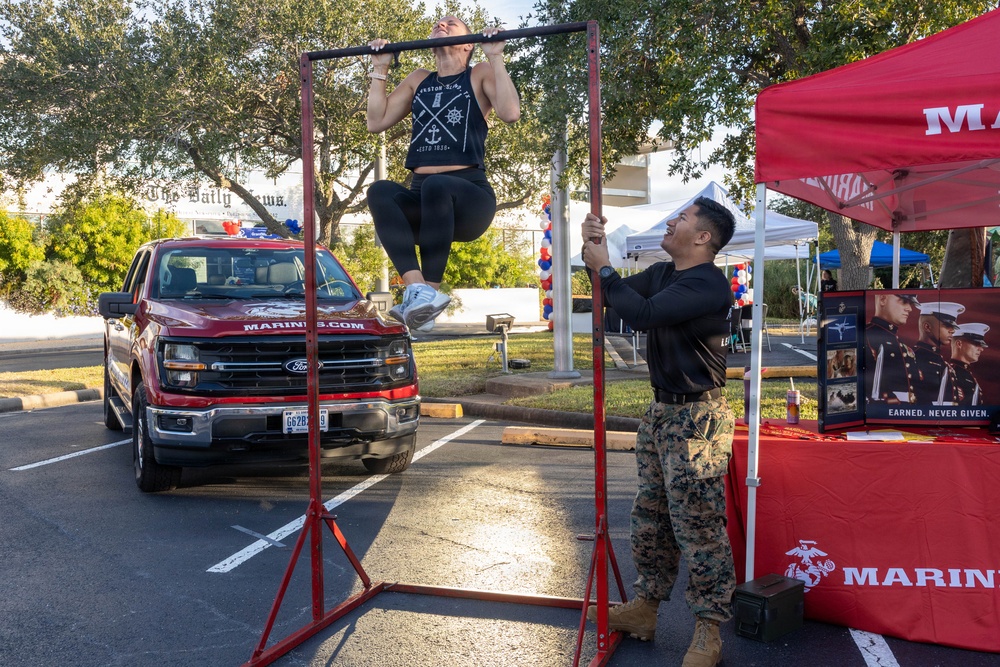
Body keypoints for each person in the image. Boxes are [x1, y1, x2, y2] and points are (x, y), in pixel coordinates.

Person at [580, 197, 737, 667]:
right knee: (651, 515)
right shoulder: (664, 273)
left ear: (703, 237)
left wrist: (605, 270)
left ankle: (708, 629)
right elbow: (618, 300)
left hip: (697, 420)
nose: (671, 221)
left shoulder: (709, 283)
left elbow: (643, 314)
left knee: (699, 527)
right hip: (661, 414)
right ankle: (646, 609)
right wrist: (594, 247)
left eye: (682, 218)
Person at [366, 17, 521, 331]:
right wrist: (380, 68)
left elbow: (510, 112)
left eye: (452, 23)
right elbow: (375, 121)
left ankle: (430, 296)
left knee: (436, 185)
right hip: (427, 201)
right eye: (438, 22)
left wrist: (495, 57)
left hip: (470, 199)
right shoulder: (418, 79)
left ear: (468, 43)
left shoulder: (477, 74)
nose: (442, 24)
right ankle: (417, 290)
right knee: (380, 191)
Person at [864, 292, 920, 403]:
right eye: (904, 302)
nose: (909, 309)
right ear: (883, 299)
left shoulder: (903, 347)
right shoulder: (865, 336)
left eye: (910, 303)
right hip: (880, 412)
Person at [910, 301, 963, 404]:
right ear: (927, 327)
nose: (952, 331)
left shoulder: (946, 366)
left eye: (953, 327)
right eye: (947, 325)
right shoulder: (911, 358)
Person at [950, 322, 989, 405]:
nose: (981, 349)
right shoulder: (949, 373)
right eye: (976, 344)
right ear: (959, 344)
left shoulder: (969, 376)